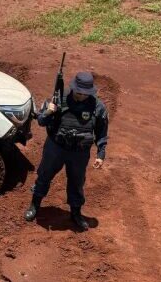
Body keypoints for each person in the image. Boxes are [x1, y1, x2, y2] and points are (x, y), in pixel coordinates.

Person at [24, 71, 109, 231]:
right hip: (56, 148)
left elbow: (102, 132)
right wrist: (49, 111)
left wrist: (100, 154)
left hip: (79, 153)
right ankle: (35, 205)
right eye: (78, 92)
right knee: (44, 175)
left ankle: (75, 213)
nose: (81, 95)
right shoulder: (58, 100)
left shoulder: (98, 107)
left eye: (85, 93)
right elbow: (41, 121)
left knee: (77, 183)